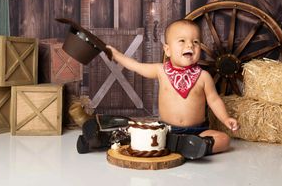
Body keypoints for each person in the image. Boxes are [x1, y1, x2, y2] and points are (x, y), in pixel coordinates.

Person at [102, 19, 239, 159]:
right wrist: (115, 54)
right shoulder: (161, 71)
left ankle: (192, 145)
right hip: (167, 130)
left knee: (224, 140)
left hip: (198, 132)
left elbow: (214, 100)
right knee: (144, 133)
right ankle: (181, 145)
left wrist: (225, 118)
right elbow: (136, 66)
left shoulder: (204, 76)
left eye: (196, 42)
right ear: (167, 50)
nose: (190, 45)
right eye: (182, 41)